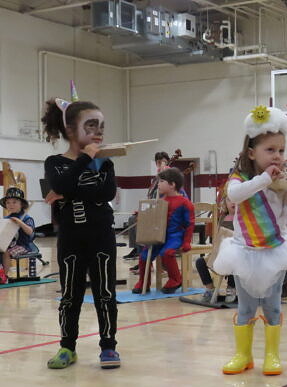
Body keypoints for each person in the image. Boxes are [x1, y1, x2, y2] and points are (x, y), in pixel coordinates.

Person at [212, 105, 287, 376]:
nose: (277, 156)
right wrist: (264, 179)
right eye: (270, 150)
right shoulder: (242, 178)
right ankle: (243, 354)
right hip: (245, 251)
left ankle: (272, 356)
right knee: (246, 306)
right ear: (252, 152)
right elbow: (236, 195)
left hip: (274, 251)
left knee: (273, 305)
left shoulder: (283, 183)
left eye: (281, 150)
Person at [42, 96, 120, 369]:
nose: (98, 131)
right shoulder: (55, 162)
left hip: (102, 236)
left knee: (105, 293)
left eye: (101, 125)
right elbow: (61, 181)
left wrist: (67, 192)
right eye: (91, 125)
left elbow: (107, 192)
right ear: (71, 131)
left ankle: (108, 347)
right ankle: (67, 347)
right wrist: (84, 159)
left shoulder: (106, 162)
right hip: (71, 239)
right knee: (70, 295)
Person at [132, 167, 194, 294]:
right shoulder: (160, 201)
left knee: (167, 253)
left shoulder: (185, 202)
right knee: (144, 255)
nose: (158, 184)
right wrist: (142, 213)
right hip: (159, 235)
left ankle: (176, 279)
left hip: (175, 236)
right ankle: (143, 282)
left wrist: (186, 242)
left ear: (172, 185)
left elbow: (190, 224)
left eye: (161, 182)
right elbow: (153, 217)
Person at [124, 152, 171, 260]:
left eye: (162, 161)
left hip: (163, 212)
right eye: (158, 162)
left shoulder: (169, 175)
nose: (160, 164)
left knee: (139, 222)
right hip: (153, 209)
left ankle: (143, 254)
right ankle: (137, 249)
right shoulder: (156, 179)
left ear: (167, 161)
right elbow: (151, 196)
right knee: (132, 219)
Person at [0, 188, 36, 284]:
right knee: (3, 250)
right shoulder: (7, 218)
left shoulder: (27, 218)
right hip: (8, 244)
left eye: (14, 202)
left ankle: (5, 276)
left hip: (22, 245)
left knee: (6, 253)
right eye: (8, 203)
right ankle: (1, 272)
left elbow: (30, 232)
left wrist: (20, 223)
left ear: (22, 204)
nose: (11, 205)